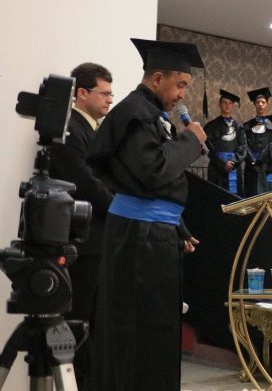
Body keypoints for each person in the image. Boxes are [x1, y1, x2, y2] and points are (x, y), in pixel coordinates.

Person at [88, 38, 206, 390]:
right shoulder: (136, 113)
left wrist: (178, 228)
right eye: (180, 84)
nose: (182, 95)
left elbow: (147, 187)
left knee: (157, 328)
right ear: (157, 79)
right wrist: (191, 140)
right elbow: (153, 171)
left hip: (151, 233)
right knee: (138, 330)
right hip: (139, 239)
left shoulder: (148, 113)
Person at [47, 62, 115, 389]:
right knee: (78, 324)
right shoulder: (69, 130)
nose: (110, 99)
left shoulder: (97, 131)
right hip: (81, 244)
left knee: (96, 325)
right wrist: (120, 208)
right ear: (82, 93)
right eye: (104, 93)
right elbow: (86, 183)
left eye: (112, 93)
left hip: (99, 242)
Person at [204, 89, 247, 196]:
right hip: (216, 167)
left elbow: (243, 148)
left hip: (233, 167)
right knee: (215, 196)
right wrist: (223, 164)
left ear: (233, 106)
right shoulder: (210, 126)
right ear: (219, 104)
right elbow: (208, 148)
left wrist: (232, 162)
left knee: (234, 198)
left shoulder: (239, 127)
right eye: (224, 102)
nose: (227, 105)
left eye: (230, 103)